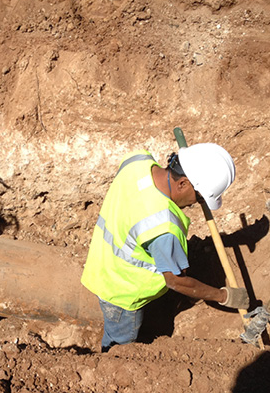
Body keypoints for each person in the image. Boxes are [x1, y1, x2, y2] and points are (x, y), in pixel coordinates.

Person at [80, 143, 249, 352]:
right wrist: (224, 296)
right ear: (183, 183)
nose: (197, 203)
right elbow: (175, 281)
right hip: (123, 293)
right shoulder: (163, 226)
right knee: (119, 347)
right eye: (199, 197)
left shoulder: (137, 161)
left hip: (104, 263)